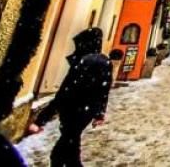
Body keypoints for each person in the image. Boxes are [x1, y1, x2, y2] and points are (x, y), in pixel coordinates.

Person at [29, 28, 112, 167]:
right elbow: (103, 90)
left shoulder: (83, 62)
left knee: (60, 154)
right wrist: (99, 113)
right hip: (86, 112)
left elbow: (64, 93)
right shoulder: (104, 62)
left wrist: (41, 120)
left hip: (73, 111)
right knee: (70, 149)